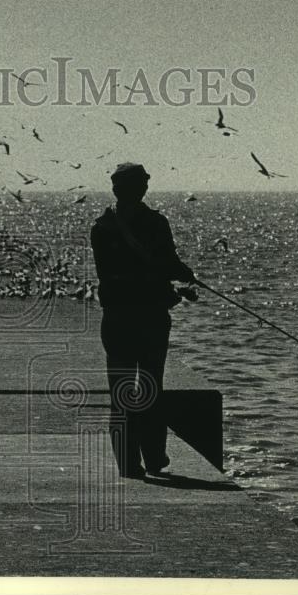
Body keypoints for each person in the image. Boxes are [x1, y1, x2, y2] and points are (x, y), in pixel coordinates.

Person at [91, 162, 197, 478]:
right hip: (150, 317)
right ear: (141, 187)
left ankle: (127, 462)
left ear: (115, 189)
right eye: (144, 182)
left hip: (116, 319)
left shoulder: (101, 227)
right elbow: (168, 263)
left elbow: (110, 274)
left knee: (121, 390)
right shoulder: (155, 223)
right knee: (151, 386)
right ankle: (153, 457)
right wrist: (186, 277)